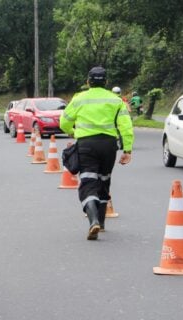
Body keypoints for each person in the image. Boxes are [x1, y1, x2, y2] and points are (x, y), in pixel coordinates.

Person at [60, 66, 134, 241]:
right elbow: (126, 126)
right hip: (109, 146)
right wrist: (127, 149)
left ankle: (93, 220)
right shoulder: (116, 100)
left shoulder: (79, 98)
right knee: (104, 180)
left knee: (88, 182)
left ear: (88, 82)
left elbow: (64, 122)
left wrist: (72, 131)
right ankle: (101, 222)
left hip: (86, 145)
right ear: (106, 82)